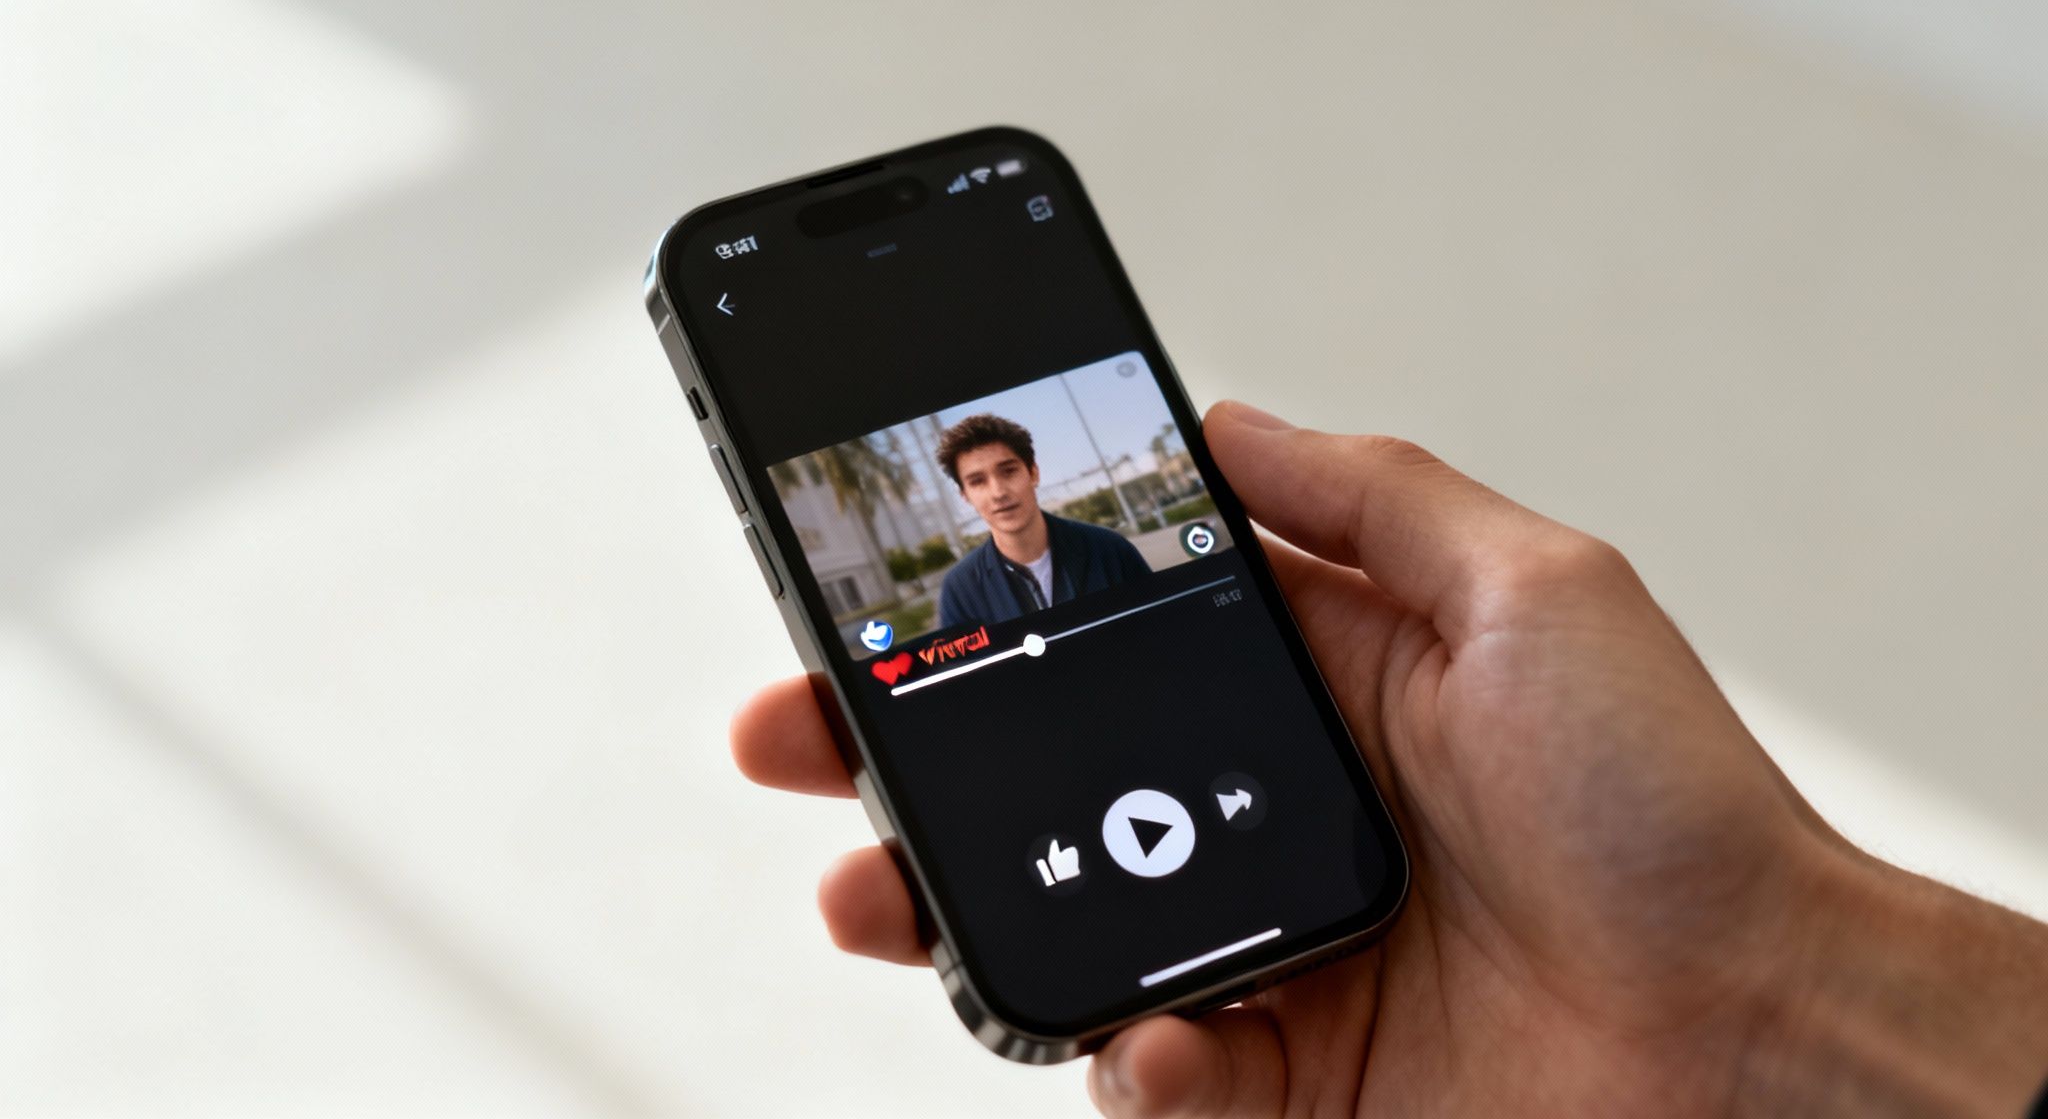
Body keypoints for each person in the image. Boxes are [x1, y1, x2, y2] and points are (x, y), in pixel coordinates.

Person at [731, 401, 2048, 1117]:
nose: (1003, 492)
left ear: (1030, 472)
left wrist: (1773, 975)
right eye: (984, 483)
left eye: (1013, 470)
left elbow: (1159, 663)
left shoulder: (1111, 554)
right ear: (967, 499)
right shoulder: (961, 596)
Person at [933, 412, 1151, 630]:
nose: (998, 492)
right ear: (965, 495)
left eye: (1008, 471)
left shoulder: (1109, 550)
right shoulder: (960, 589)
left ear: (1033, 473)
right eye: (978, 481)